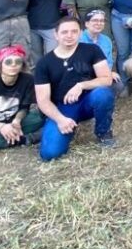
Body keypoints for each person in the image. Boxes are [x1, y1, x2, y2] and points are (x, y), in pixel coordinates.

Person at [35, 17, 116, 161]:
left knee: (103, 94)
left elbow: (106, 79)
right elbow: (43, 100)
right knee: (50, 154)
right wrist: (60, 119)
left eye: (74, 31)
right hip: (63, 109)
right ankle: (64, 126)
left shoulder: (92, 50)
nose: (69, 35)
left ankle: (103, 132)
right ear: (56, 35)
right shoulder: (44, 63)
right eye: (64, 32)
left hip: (88, 101)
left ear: (80, 33)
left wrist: (81, 85)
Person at [79, 9, 123, 94]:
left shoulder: (106, 40)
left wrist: (109, 73)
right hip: (82, 76)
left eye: (101, 21)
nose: (99, 23)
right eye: (95, 20)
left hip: (101, 75)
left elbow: (108, 62)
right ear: (86, 23)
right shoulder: (79, 40)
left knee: (118, 84)